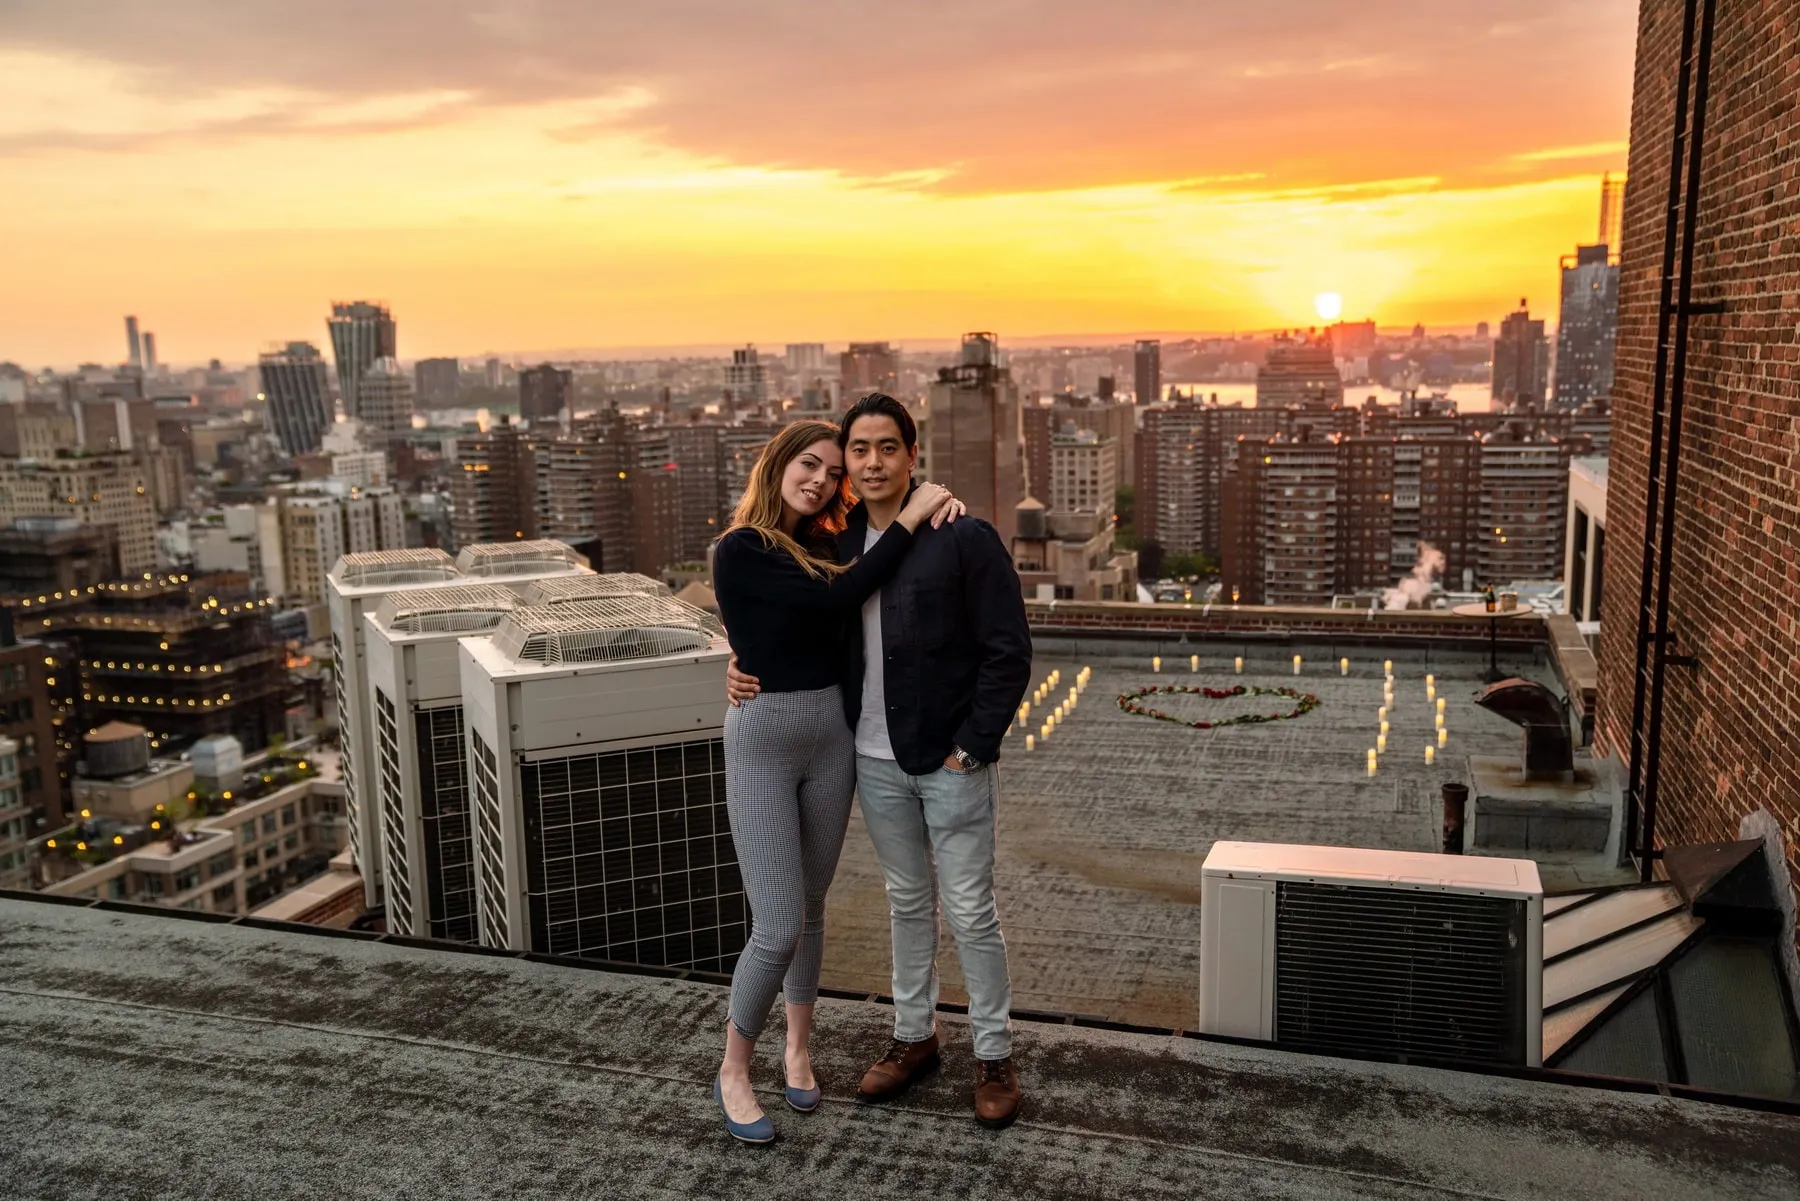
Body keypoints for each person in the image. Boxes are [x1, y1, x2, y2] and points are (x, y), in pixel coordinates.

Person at [728, 394, 1033, 1129]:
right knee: (905, 901)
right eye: (854, 452)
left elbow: (1008, 652)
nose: (869, 463)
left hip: (949, 758)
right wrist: (738, 661)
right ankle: (912, 1036)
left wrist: (973, 747)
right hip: (868, 756)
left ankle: (992, 1053)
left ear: (910, 453)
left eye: (884, 448)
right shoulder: (830, 544)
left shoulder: (963, 536)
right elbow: (793, 620)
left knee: (969, 908)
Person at [709, 418, 961, 1145]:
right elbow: (833, 601)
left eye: (830, 470)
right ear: (777, 464)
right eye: (808, 464)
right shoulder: (741, 548)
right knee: (778, 923)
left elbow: (850, 611)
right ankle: (733, 1066)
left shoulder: (829, 542)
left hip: (832, 736)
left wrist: (933, 507)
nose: (819, 478)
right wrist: (912, 514)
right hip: (764, 739)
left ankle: (797, 1046)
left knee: (813, 908)